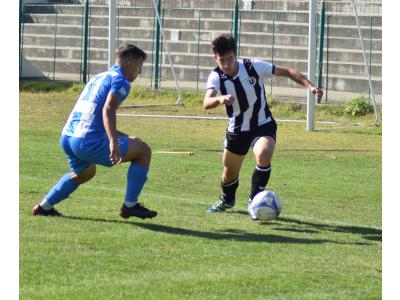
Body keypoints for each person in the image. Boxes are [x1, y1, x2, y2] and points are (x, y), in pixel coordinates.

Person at [204, 34, 323, 219]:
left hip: (262, 124)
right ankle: (227, 199)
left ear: (236, 54)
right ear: (215, 58)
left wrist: (310, 86)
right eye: (222, 61)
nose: (227, 64)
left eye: (230, 59)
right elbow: (207, 102)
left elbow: (289, 72)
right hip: (237, 130)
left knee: (264, 154)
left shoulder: (253, 66)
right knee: (229, 172)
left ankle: (254, 201)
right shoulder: (216, 76)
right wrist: (219, 99)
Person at [32, 43, 157, 219]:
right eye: (139, 66)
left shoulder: (98, 77)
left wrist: (124, 136)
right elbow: (108, 110)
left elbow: (94, 117)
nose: (140, 71)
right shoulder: (120, 81)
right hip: (86, 141)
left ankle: (44, 206)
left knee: (85, 173)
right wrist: (113, 142)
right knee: (144, 151)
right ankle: (130, 205)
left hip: (68, 137)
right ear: (129, 64)